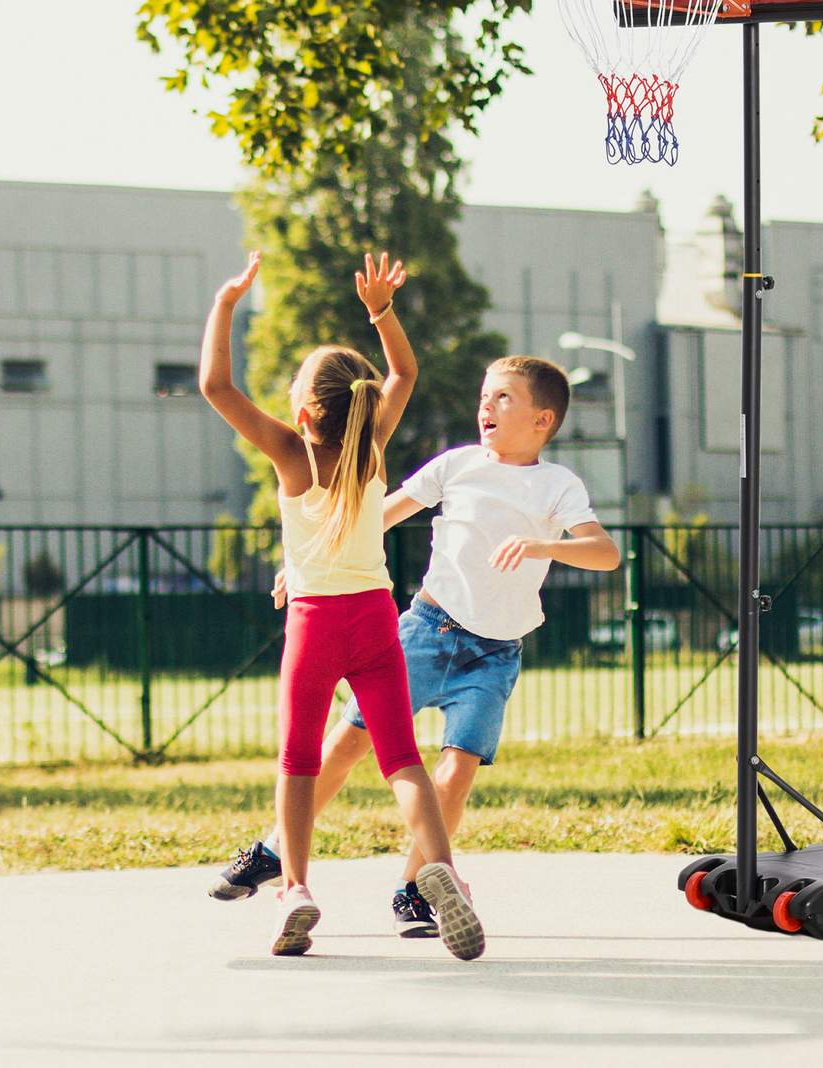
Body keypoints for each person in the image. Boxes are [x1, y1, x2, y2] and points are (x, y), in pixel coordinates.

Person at [210, 355, 619, 937]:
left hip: (495, 653)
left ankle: (416, 887)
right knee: (350, 744)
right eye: (484, 395)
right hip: (429, 630)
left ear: (543, 419)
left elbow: (605, 553)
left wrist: (544, 546)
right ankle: (276, 848)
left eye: (503, 397)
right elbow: (374, 514)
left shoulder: (558, 486)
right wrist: (304, 560)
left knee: (456, 769)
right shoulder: (456, 465)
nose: (486, 406)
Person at [199, 250, 483, 960]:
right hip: (375, 619)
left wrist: (227, 304)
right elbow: (405, 374)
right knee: (403, 761)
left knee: (298, 762)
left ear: (303, 410)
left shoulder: (291, 453)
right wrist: (381, 311)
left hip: (316, 624)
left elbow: (214, 384)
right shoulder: (371, 448)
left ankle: (295, 888)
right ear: (358, 403)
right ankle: (439, 869)